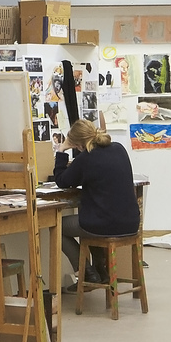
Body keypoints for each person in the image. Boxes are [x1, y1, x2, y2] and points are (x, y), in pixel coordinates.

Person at [54, 116, 140, 272]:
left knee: (57, 228)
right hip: (131, 223)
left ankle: (86, 272)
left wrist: (61, 150)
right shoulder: (119, 149)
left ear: (77, 145)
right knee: (91, 218)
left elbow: (61, 180)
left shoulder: (85, 159)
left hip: (105, 225)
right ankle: (101, 271)